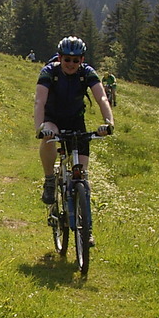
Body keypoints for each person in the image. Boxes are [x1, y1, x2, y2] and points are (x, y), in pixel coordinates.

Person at [34, 36, 114, 220]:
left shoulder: (86, 73)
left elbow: (101, 98)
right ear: (60, 58)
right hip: (52, 118)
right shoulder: (48, 72)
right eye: (67, 59)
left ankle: (86, 228)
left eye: (75, 60)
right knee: (49, 135)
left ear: (82, 60)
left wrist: (109, 123)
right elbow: (39, 101)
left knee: (82, 176)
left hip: (75, 120)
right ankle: (49, 180)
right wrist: (39, 127)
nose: (71, 64)